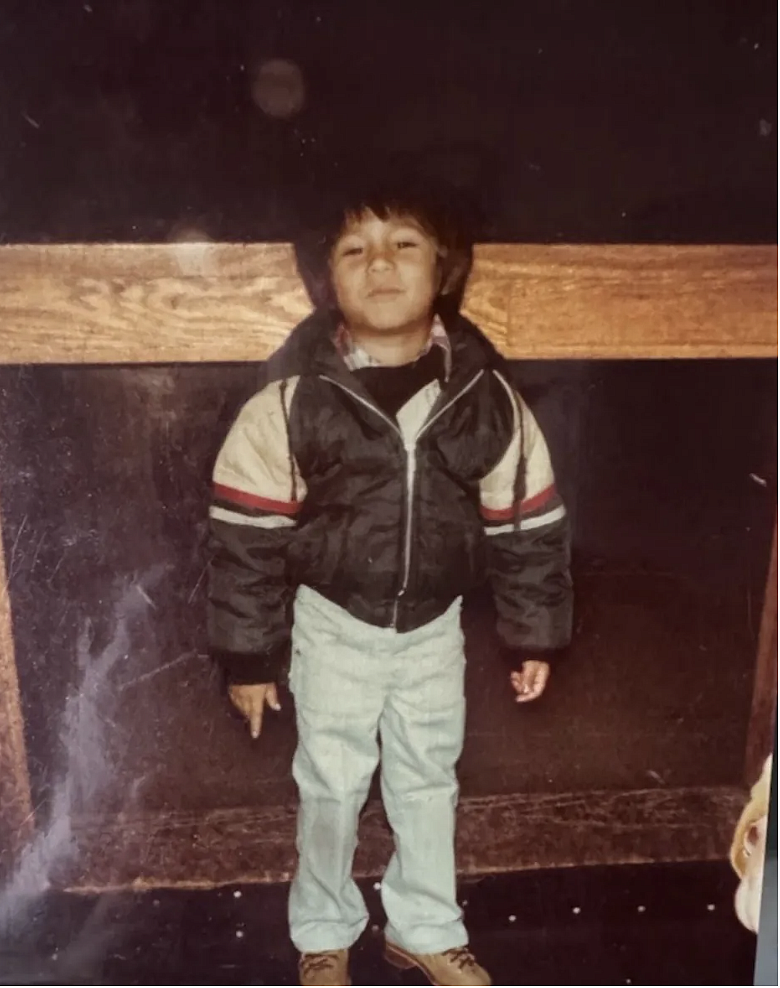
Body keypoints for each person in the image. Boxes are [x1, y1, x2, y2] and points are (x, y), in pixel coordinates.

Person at [207, 178, 572, 986]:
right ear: (325, 280)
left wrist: (533, 630)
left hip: (435, 630)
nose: (380, 265)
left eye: (404, 244)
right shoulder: (292, 400)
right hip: (333, 624)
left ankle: (425, 925)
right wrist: (249, 658)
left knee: (427, 778)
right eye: (353, 250)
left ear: (444, 268)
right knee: (331, 783)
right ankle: (323, 930)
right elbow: (245, 540)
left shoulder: (487, 397)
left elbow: (528, 523)